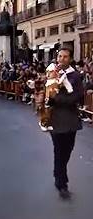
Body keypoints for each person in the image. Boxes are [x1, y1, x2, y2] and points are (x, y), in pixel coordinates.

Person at [47, 48, 83, 199]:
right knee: (59, 150)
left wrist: (57, 98)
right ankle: (62, 182)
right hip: (55, 119)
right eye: (60, 56)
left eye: (65, 57)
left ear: (70, 59)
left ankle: (58, 171)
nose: (62, 59)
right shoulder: (51, 73)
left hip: (70, 119)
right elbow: (47, 93)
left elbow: (77, 97)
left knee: (67, 151)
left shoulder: (75, 76)